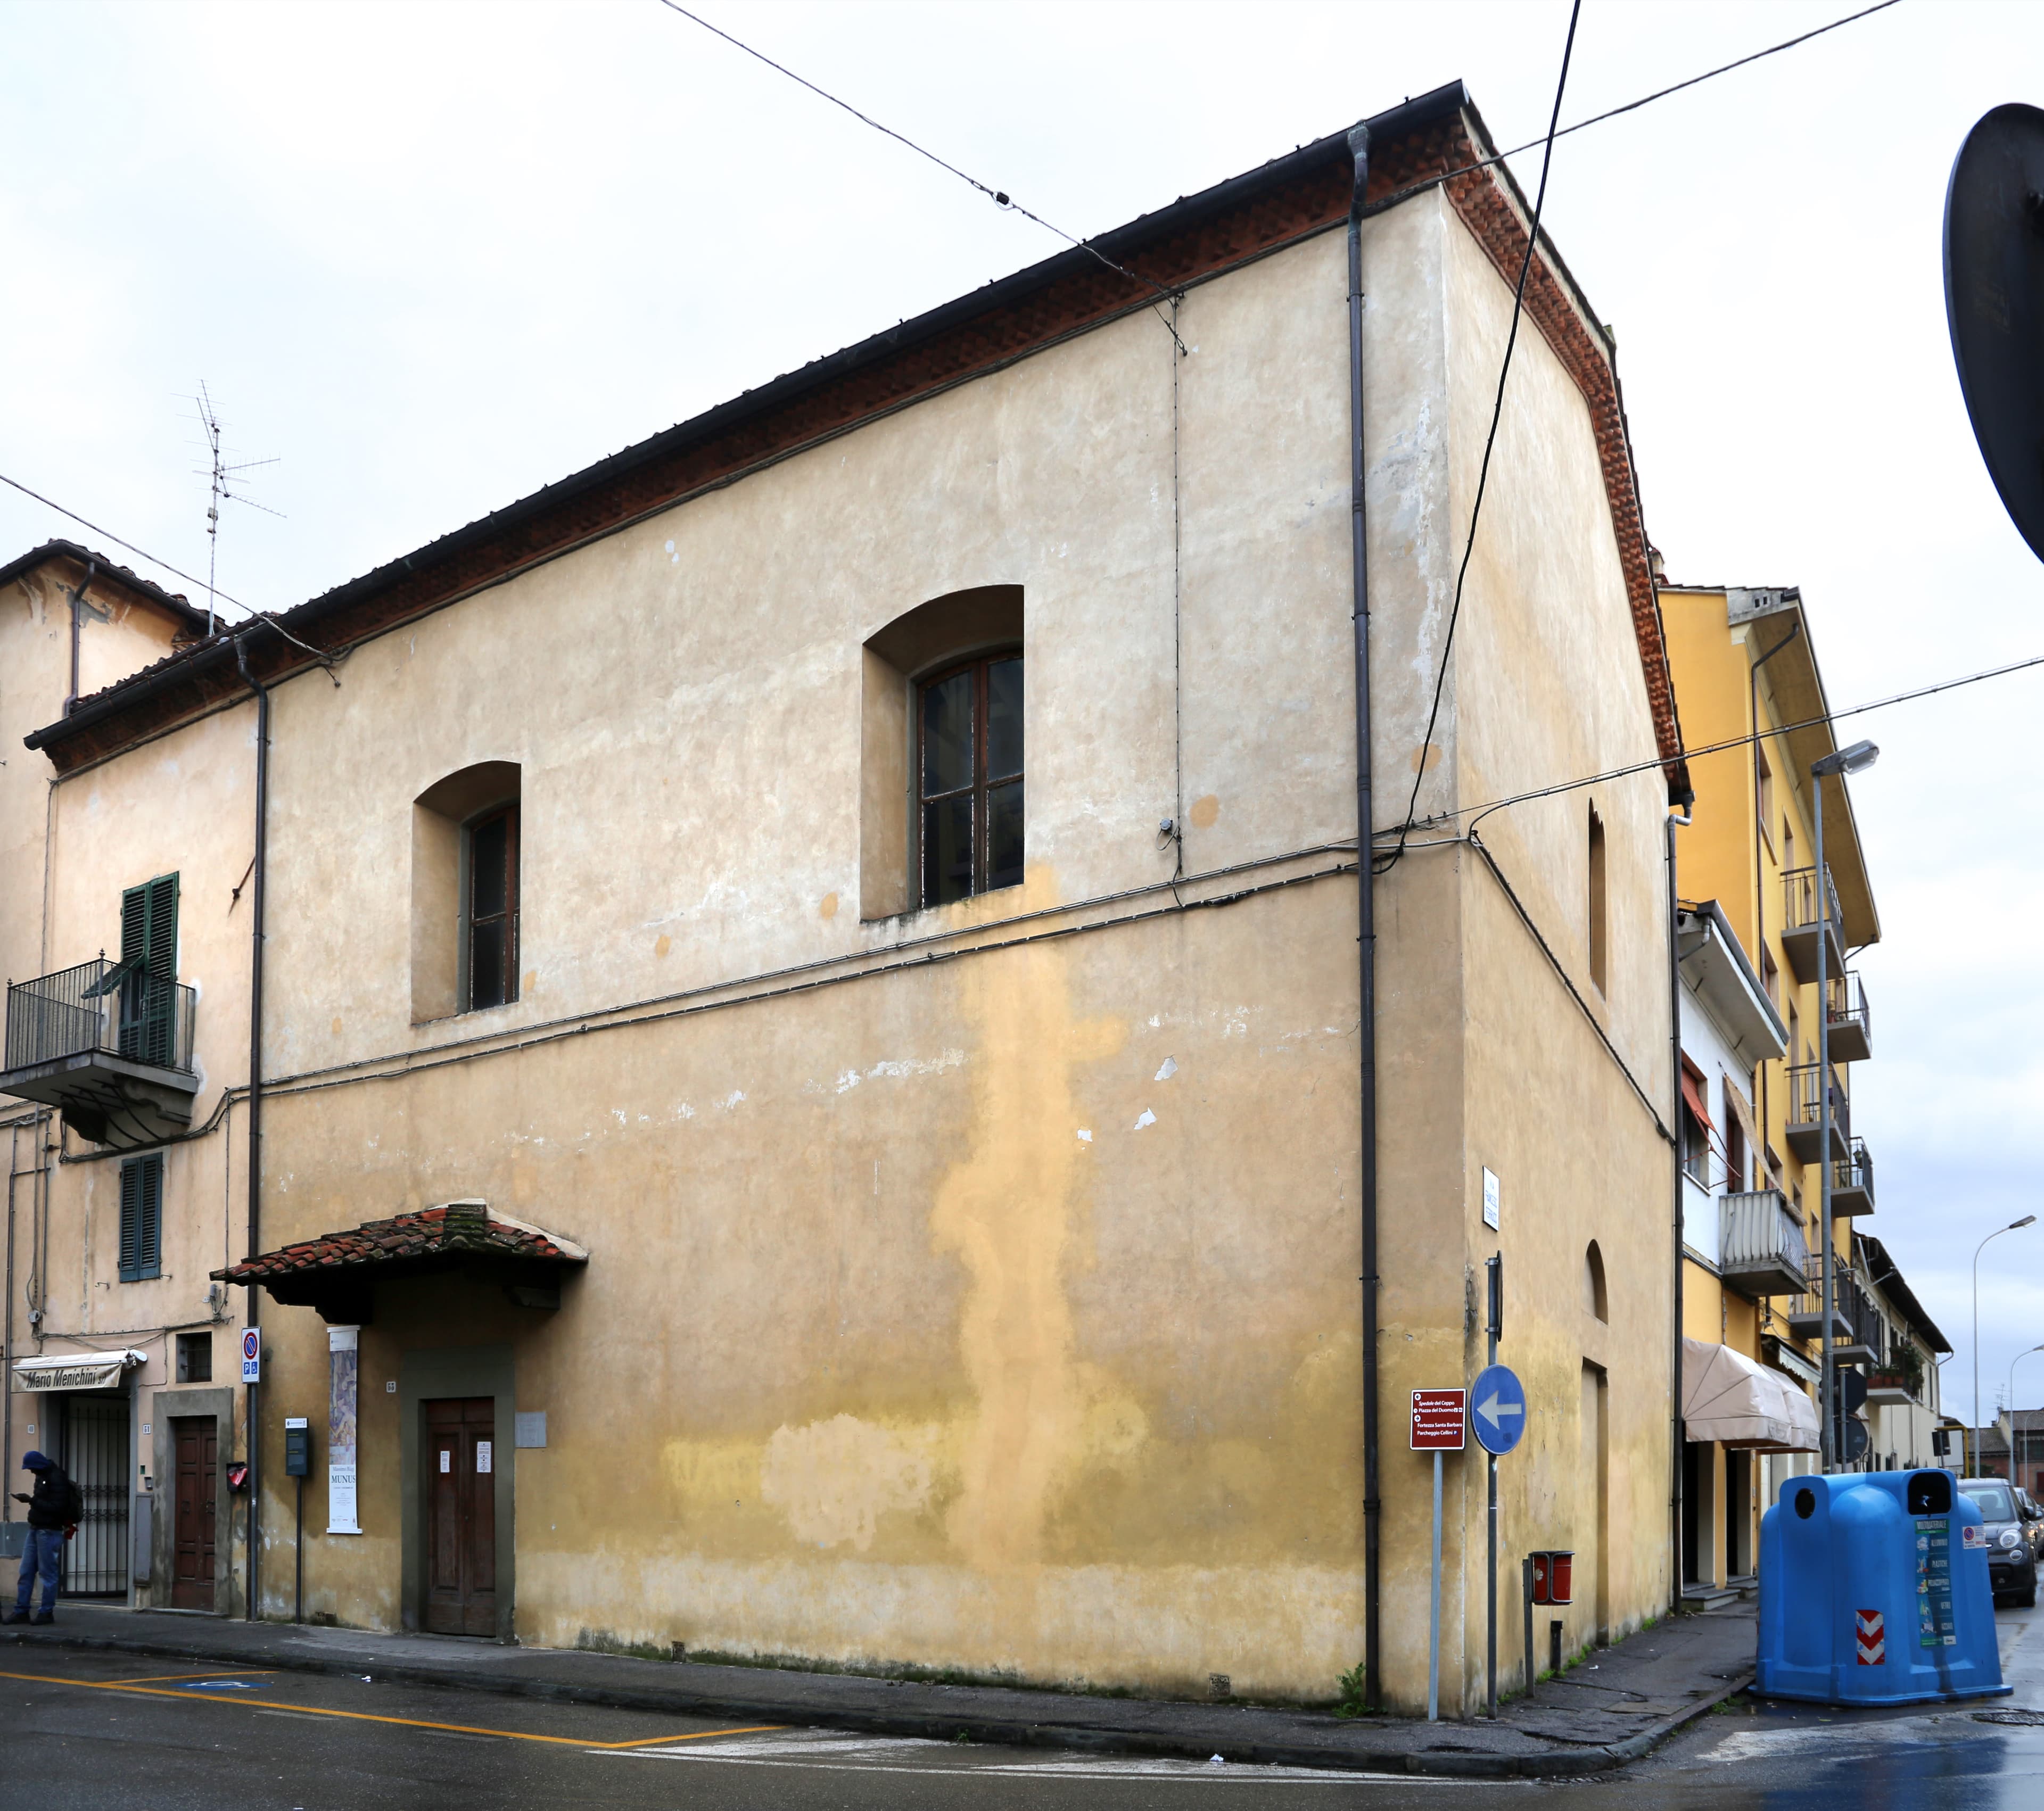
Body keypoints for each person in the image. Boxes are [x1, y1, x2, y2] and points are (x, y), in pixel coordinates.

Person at [4, 1452, 79, 1625]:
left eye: (31, 1468)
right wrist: (32, 1501)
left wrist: (31, 1501)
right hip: (37, 1528)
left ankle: (46, 1612)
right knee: (26, 1571)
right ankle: (21, 1610)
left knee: (47, 1573)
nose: (30, 1472)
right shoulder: (43, 1475)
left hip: (49, 1530)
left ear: (38, 1465)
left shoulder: (56, 1478)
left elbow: (57, 1508)